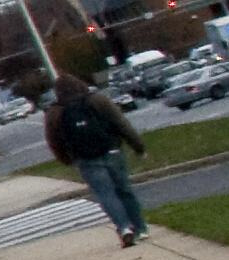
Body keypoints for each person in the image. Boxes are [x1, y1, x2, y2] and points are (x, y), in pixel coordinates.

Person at [47, 76, 152, 246]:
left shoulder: (55, 112)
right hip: (112, 150)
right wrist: (138, 147)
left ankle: (124, 227)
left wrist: (67, 159)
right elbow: (121, 123)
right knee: (124, 190)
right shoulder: (98, 100)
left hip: (85, 158)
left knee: (106, 194)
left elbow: (54, 140)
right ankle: (141, 228)